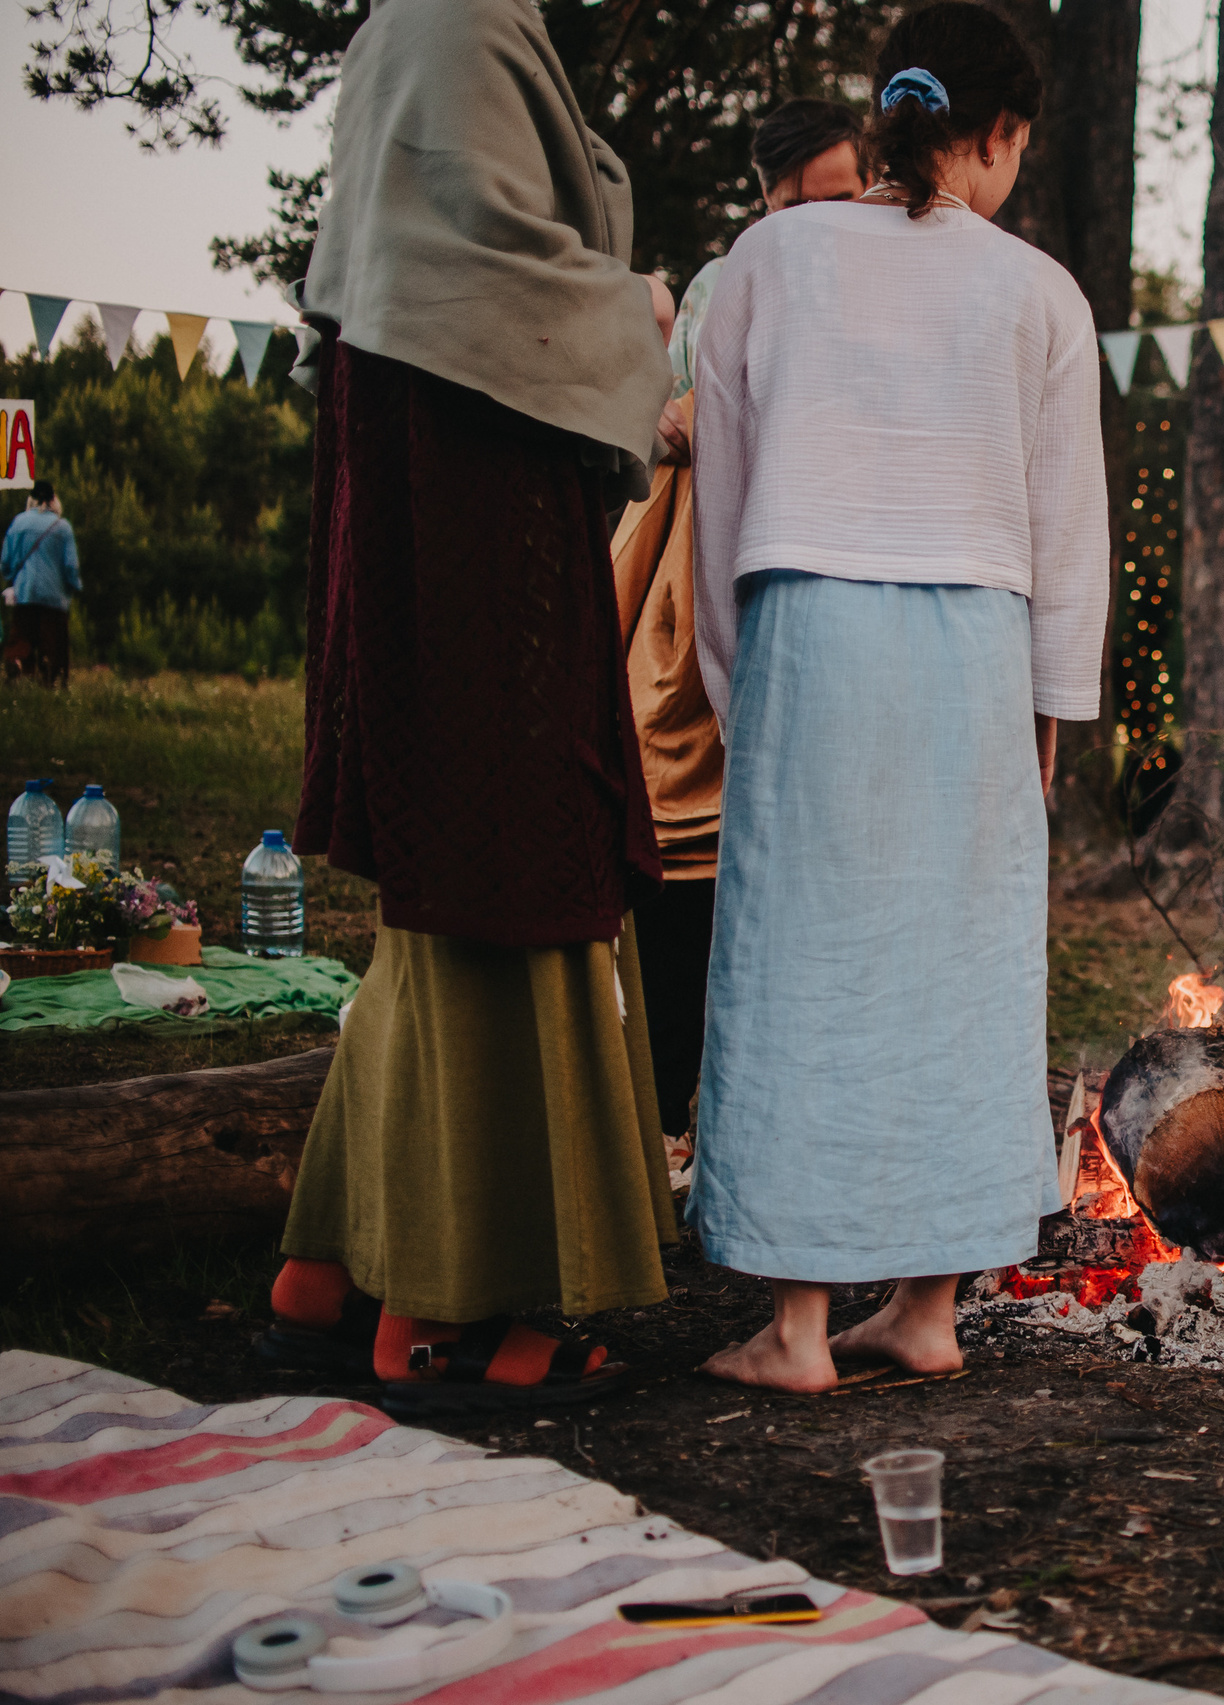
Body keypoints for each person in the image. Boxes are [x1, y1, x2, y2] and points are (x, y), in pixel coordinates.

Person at [255, 0, 678, 1418]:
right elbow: (483, 282)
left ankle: (328, 1273)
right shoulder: (451, 25)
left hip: (434, 498)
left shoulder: (420, 21)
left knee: (446, 894)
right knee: (524, 866)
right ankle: (448, 1313)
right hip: (477, 508)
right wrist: (639, 315)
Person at [687, 0, 1108, 1392]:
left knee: (805, 958)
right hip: (975, 648)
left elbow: (724, 494)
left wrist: (734, 688)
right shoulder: (1040, 293)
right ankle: (929, 1307)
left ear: (881, 119)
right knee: (963, 966)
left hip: (810, 627)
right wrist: (1047, 709)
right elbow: (1067, 532)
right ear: (995, 138)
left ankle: (801, 1326)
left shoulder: (770, 258)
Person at [611, 96, 865, 1167]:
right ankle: (667, 1109)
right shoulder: (727, 281)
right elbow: (655, 416)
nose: (832, 223)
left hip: (819, 567)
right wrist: (670, 420)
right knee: (682, 837)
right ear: (767, 198)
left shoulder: (872, 281)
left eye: (850, 198)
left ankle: (766, 1114)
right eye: (811, 203)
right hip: (700, 565)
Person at [2, 481, 79, 687]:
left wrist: (12, 578)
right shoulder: (62, 528)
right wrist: (74, 586)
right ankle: (49, 681)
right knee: (52, 643)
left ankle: (17, 663)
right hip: (54, 598)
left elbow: (6, 562)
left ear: (32, 500)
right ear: (54, 500)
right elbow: (70, 566)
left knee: (22, 636)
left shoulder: (18, 522)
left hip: (25, 592)